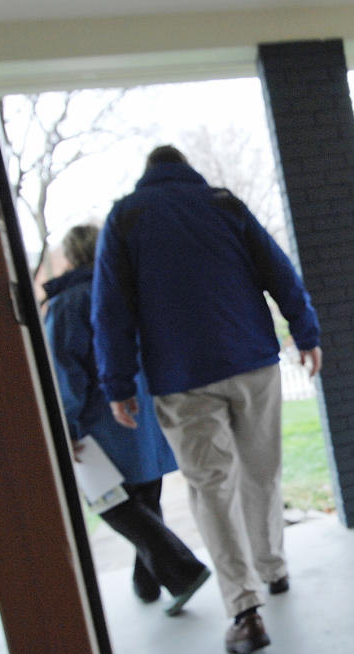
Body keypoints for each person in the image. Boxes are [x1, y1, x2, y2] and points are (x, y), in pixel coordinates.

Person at [91, 145, 321, 654]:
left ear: (145, 175)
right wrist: (306, 333)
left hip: (182, 376)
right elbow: (279, 271)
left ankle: (245, 609)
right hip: (253, 363)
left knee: (211, 487)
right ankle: (274, 569)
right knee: (262, 470)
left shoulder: (126, 216)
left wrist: (118, 384)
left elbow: (109, 309)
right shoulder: (223, 203)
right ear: (187, 170)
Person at [42, 223, 210, 616]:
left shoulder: (69, 303)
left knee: (110, 502)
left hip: (103, 419)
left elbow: (67, 372)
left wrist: (66, 424)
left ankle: (183, 573)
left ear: (70, 256)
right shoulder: (137, 291)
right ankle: (148, 584)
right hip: (149, 412)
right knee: (146, 498)